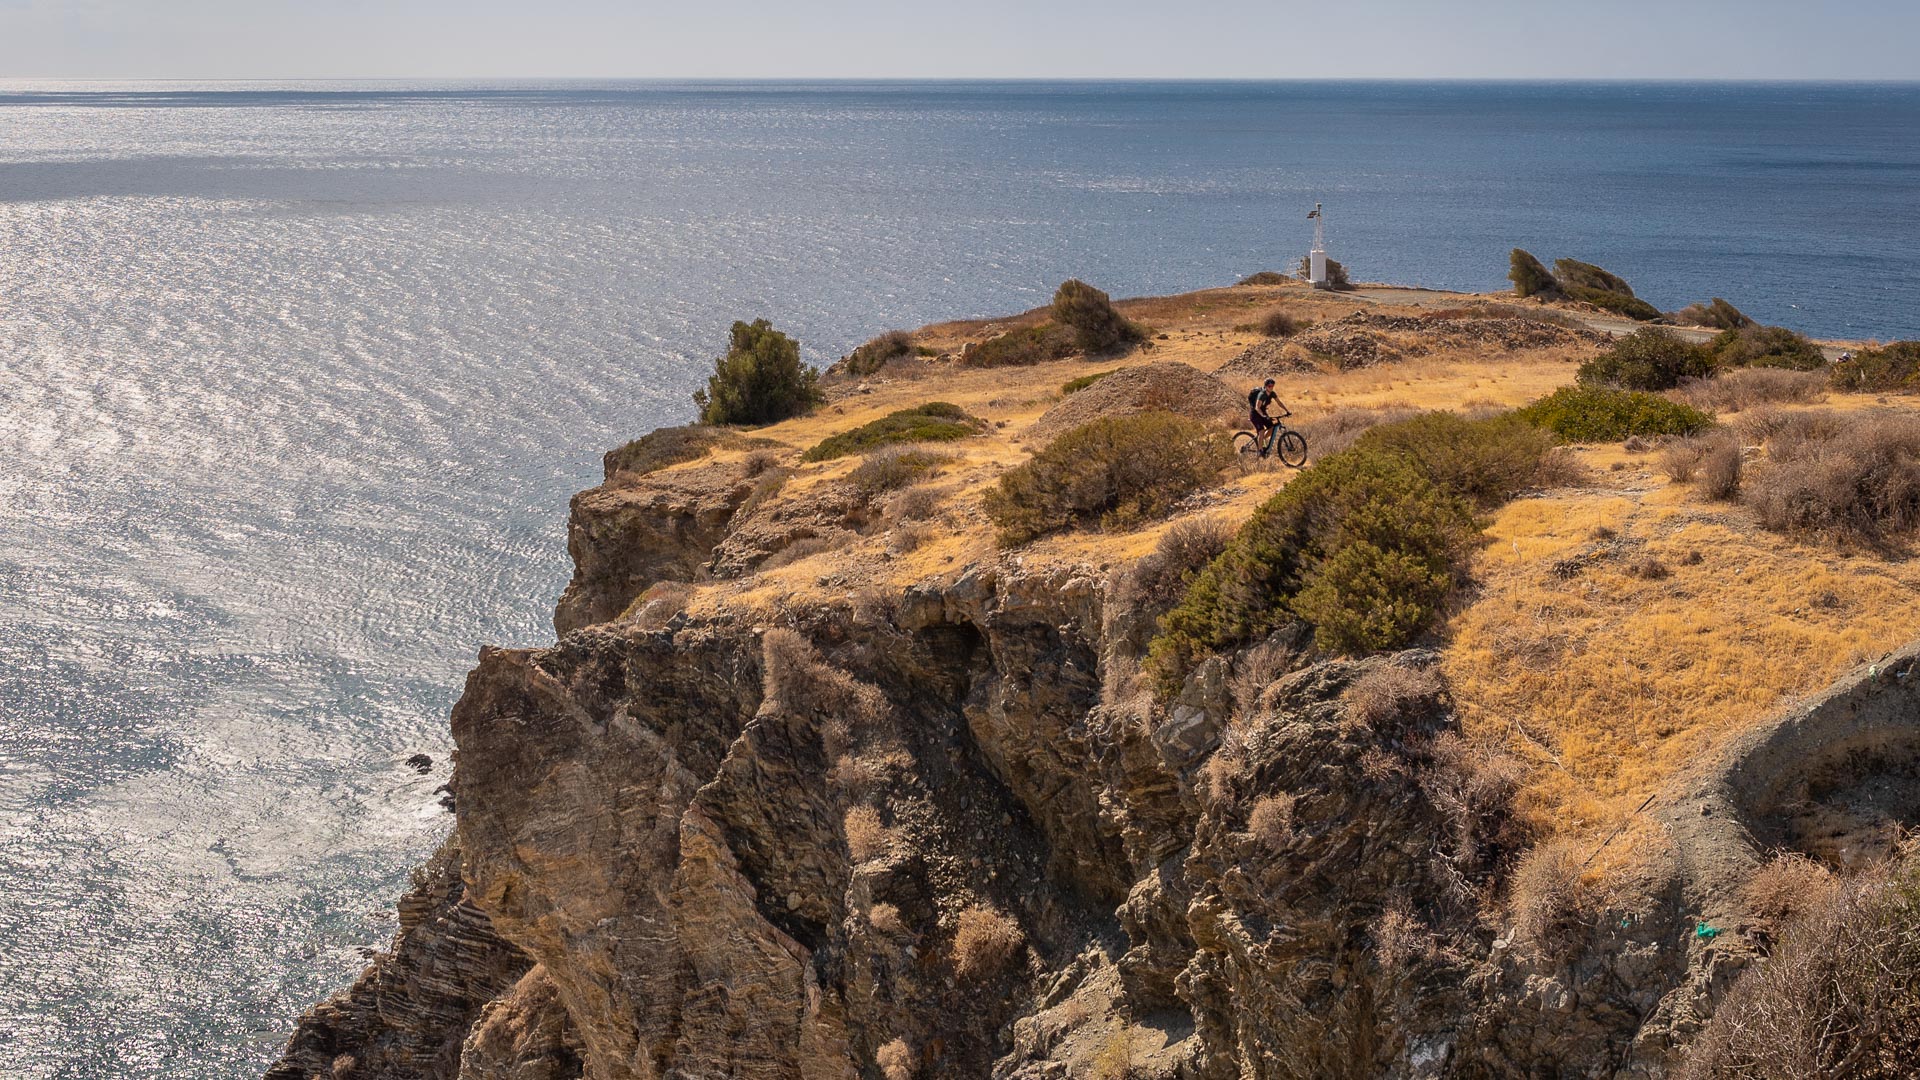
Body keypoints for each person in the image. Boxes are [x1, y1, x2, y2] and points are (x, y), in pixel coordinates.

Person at [1247, 378, 1288, 453]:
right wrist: (1263, 415)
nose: (1271, 387)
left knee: (1272, 427)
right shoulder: (1262, 394)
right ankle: (1260, 451)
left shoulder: (1272, 393)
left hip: (1262, 412)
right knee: (1261, 431)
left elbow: (1279, 402)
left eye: (1272, 386)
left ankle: (1261, 440)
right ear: (1265, 386)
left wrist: (1287, 411)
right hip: (1255, 414)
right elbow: (1257, 407)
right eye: (1269, 386)